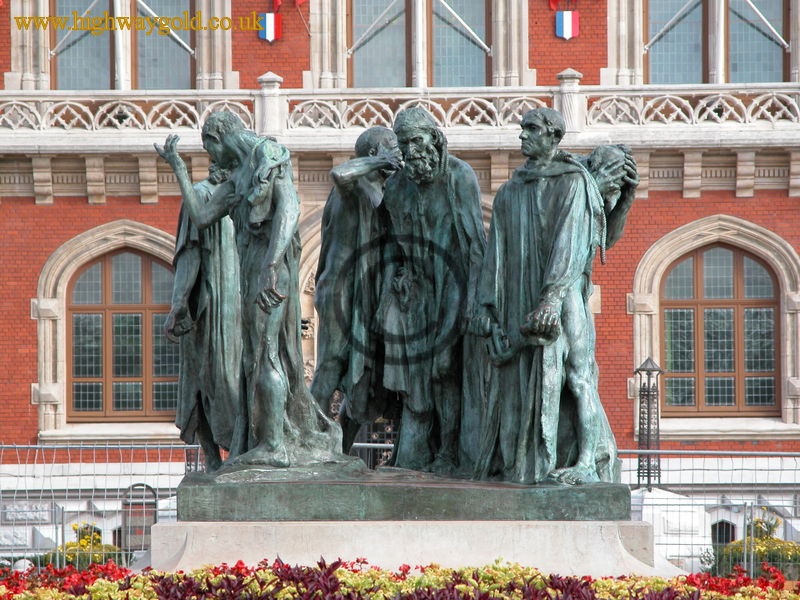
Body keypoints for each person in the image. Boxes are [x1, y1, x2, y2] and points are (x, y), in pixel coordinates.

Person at [156, 111, 342, 467]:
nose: (211, 160)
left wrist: (272, 265)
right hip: (253, 268)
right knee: (253, 357)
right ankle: (268, 437)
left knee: (265, 354)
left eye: (209, 150)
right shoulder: (239, 174)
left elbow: (289, 208)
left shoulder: (268, 155)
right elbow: (202, 216)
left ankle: (273, 445)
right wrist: (178, 168)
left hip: (270, 268)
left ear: (217, 138)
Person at [472, 107, 622, 485]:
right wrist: (486, 306)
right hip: (519, 296)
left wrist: (552, 299)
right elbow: (496, 253)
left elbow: (570, 245)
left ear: (554, 136)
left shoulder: (574, 182)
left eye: (532, 129)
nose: (523, 136)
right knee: (517, 377)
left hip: (563, 293)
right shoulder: (509, 191)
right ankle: (526, 462)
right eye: (522, 129)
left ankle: (587, 460)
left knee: (579, 375)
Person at [378, 107, 486, 474]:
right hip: (417, 293)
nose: (411, 150)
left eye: (416, 140)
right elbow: (392, 243)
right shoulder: (395, 186)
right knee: (413, 380)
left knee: (444, 368)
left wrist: (473, 302)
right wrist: (400, 273)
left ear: (435, 139)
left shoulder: (459, 176)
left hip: (454, 285)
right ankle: (416, 455)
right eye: (404, 143)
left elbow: (474, 245)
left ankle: (450, 453)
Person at [311, 126, 403, 451]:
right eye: (394, 148)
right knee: (332, 363)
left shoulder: (385, 188)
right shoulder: (351, 185)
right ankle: (307, 441)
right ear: (376, 152)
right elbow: (339, 173)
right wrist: (375, 162)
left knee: (368, 373)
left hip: (370, 293)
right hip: (340, 290)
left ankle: (342, 449)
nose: (400, 154)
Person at [166, 162, 241, 471]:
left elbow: (189, 255)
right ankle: (219, 456)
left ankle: (224, 456)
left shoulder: (224, 196)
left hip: (223, 306)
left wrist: (179, 304)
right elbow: (190, 255)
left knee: (212, 378)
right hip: (214, 304)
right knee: (211, 379)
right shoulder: (207, 195)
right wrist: (180, 302)